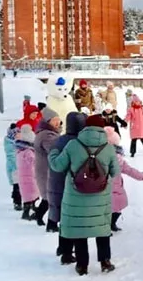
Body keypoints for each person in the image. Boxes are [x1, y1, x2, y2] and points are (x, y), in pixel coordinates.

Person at [48, 115, 120, 276]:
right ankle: (105, 262)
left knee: (79, 229)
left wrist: (53, 153)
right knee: (102, 229)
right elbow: (115, 172)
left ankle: (82, 265)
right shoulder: (108, 147)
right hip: (100, 196)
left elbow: (57, 166)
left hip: (76, 196)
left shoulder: (73, 145)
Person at [48, 112, 87, 264]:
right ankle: (68, 253)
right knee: (74, 220)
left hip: (57, 183)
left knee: (64, 218)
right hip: (76, 186)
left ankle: (62, 248)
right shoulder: (81, 143)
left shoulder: (59, 141)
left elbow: (54, 162)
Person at [105, 127, 143, 232]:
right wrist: (142, 176)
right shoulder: (115, 158)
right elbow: (129, 170)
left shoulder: (115, 158)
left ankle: (110, 225)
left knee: (114, 208)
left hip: (110, 187)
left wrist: (142, 176)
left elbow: (128, 169)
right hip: (111, 187)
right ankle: (107, 227)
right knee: (113, 208)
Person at [34, 107, 62, 229]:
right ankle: (51, 224)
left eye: (59, 120)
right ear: (47, 122)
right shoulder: (47, 135)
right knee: (51, 197)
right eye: (54, 120)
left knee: (48, 197)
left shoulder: (47, 133)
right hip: (47, 171)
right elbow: (54, 150)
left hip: (45, 169)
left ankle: (40, 217)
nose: (58, 123)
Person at [16, 124, 39, 221]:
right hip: (30, 176)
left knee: (28, 194)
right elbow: (33, 162)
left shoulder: (19, 150)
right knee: (31, 193)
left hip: (23, 176)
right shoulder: (29, 152)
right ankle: (26, 212)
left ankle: (31, 207)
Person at [4, 122, 21, 211]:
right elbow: (11, 156)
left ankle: (18, 199)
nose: (19, 136)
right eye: (17, 134)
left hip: (19, 167)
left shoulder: (17, 142)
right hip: (14, 168)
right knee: (17, 185)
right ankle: (17, 202)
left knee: (19, 185)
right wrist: (17, 165)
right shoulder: (9, 144)